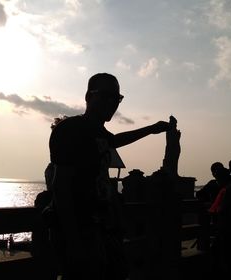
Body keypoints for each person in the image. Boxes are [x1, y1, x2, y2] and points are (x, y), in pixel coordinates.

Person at [48, 73, 169, 280]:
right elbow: (61, 187)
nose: (112, 102)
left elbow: (115, 140)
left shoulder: (99, 133)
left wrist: (152, 129)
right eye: (105, 96)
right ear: (88, 96)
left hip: (103, 228)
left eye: (116, 98)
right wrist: (73, 240)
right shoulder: (69, 130)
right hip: (82, 230)